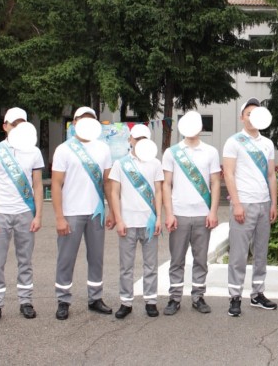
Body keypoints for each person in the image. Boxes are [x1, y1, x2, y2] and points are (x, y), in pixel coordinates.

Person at [0, 107, 44, 324]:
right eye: (13, 124)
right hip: (0, 213)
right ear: (5, 126)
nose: (17, 128)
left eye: (21, 124)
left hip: (25, 213)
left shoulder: (34, 152)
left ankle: (26, 301)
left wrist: (38, 215)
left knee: (25, 260)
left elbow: (37, 185)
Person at [52, 106, 114, 320]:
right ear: (75, 122)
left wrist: (112, 211)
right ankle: (63, 300)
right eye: (82, 119)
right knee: (66, 258)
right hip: (71, 212)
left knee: (96, 258)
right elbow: (56, 184)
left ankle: (95, 298)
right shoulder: (64, 149)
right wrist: (59, 217)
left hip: (96, 212)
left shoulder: (103, 149)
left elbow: (107, 182)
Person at [223, 98, 278, 317]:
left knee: (261, 252)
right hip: (243, 204)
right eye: (248, 113)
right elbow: (228, 173)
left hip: (264, 203)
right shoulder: (233, 142)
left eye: (256, 112)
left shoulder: (268, 143)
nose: (253, 117)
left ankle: (257, 294)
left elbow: (271, 175)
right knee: (238, 254)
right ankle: (235, 296)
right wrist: (236, 204)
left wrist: (273, 203)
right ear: (242, 117)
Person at [162, 111, 221, 316]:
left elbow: (215, 183)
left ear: (201, 127)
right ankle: (174, 298)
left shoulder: (211, 152)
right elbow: (166, 184)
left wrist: (213, 212)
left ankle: (198, 297)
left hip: (203, 214)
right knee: (177, 259)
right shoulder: (172, 152)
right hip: (179, 214)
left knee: (200, 259)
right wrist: (169, 213)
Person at [108, 124, 164, 319]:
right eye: (137, 138)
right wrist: (119, 219)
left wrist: (159, 217)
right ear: (130, 140)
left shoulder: (155, 163)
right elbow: (114, 193)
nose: (139, 142)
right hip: (128, 222)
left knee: (151, 265)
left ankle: (151, 300)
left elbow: (159, 191)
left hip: (149, 222)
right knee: (126, 266)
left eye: (143, 139)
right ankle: (126, 302)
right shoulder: (120, 164)